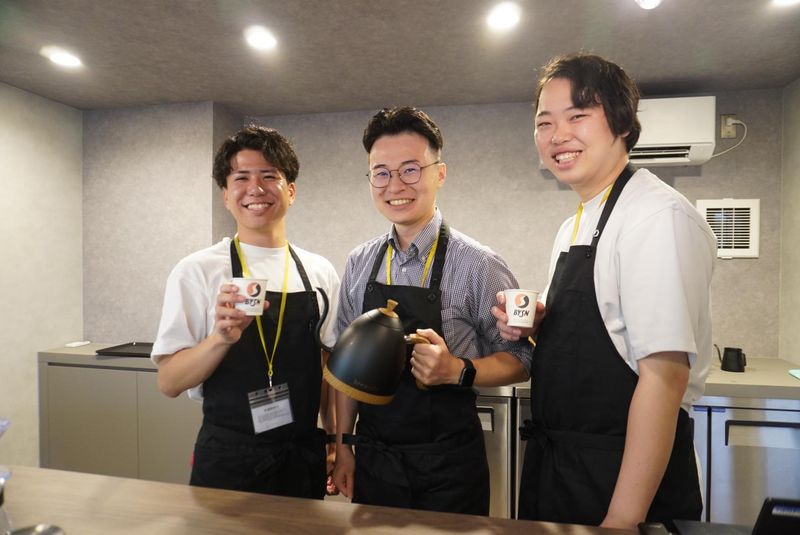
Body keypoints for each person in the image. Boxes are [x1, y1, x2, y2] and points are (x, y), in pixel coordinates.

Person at [492, 54, 716, 530]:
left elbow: (664, 378)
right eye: (544, 122)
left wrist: (620, 520)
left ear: (621, 122)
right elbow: (601, 332)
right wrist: (539, 325)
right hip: (563, 468)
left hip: (619, 480)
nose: (557, 135)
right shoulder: (575, 222)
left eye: (577, 116)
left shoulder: (656, 217)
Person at [332, 106, 532, 515]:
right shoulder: (359, 262)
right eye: (381, 173)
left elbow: (523, 359)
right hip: (375, 458)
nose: (395, 185)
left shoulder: (478, 265)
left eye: (410, 169)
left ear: (439, 173)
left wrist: (456, 369)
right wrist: (344, 445)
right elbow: (346, 371)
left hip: (449, 466)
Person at [151, 125, 340, 499]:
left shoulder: (319, 271)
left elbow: (326, 367)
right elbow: (169, 382)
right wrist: (220, 338)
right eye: (241, 178)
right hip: (228, 457)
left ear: (291, 191)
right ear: (225, 195)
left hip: (300, 455)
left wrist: (334, 440)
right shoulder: (198, 270)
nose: (256, 188)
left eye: (269, 176)